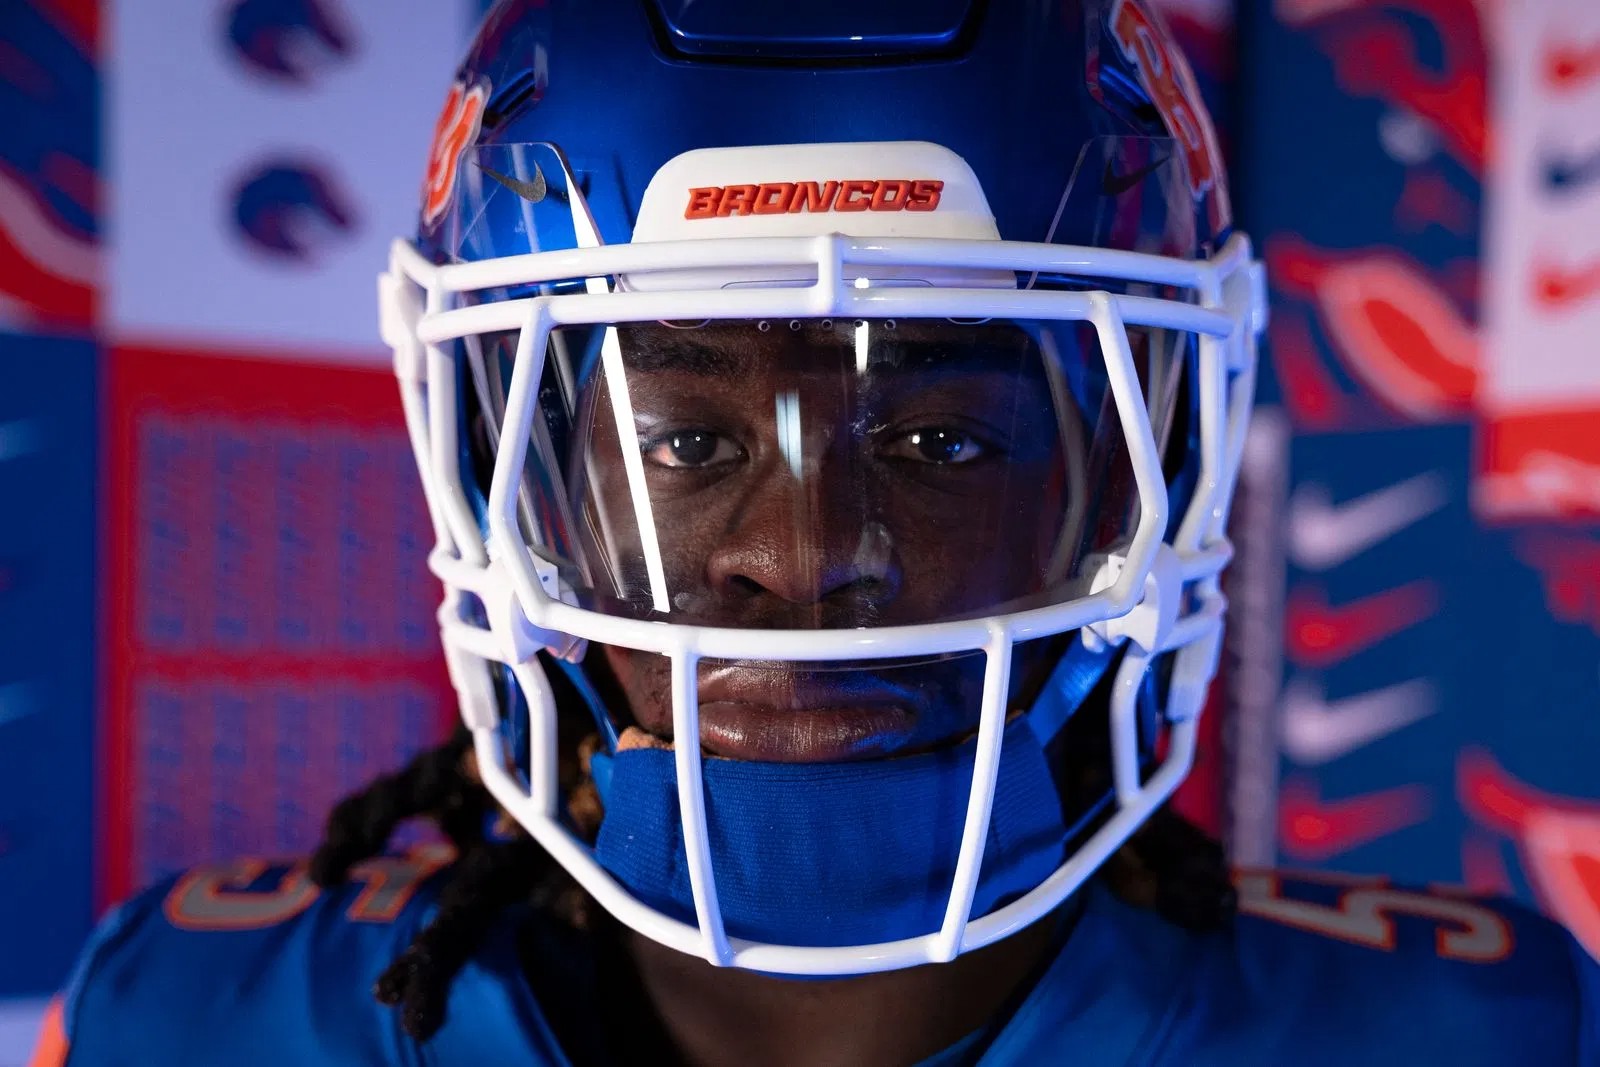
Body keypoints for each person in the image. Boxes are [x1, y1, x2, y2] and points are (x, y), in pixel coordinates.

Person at [33, 1, 1598, 1064]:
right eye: (686, 440)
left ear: (1139, 479)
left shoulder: (1493, 1036)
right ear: (515, 482)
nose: (802, 556)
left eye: (942, 441)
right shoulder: (176, 1024)